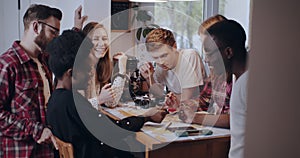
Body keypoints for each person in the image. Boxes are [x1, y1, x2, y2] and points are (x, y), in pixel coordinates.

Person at [46, 30, 167, 158]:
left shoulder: (55, 100)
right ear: (71, 73)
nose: (91, 73)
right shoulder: (73, 102)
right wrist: (147, 116)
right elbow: (115, 130)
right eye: (87, 69)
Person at [0, 4, 87, 157]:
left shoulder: (44, 58)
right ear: (36, 27)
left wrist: (76, 30)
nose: (56, 38)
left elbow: (64, 52)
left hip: (47, 152)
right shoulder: (7, 64)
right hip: (23, 153)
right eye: (53, 32)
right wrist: (35, 130)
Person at [139, 28, 204, 109]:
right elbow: (158, 94)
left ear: (174, 47)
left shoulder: (190, 56)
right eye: (155, 57)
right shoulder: (161, 65)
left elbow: (187, 99)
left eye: (164, 55)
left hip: (200, 110)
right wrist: (149, 77)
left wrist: (170, 98)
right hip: (181, 110)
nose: (161, 62)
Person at [81, 22, 127, 109]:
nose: (102, 44)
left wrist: (122, 71)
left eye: (104, 39)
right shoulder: (79, 71)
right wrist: (99, 99)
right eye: (96, 39)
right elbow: (78, 108)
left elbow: (111, 102)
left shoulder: (101, 66)